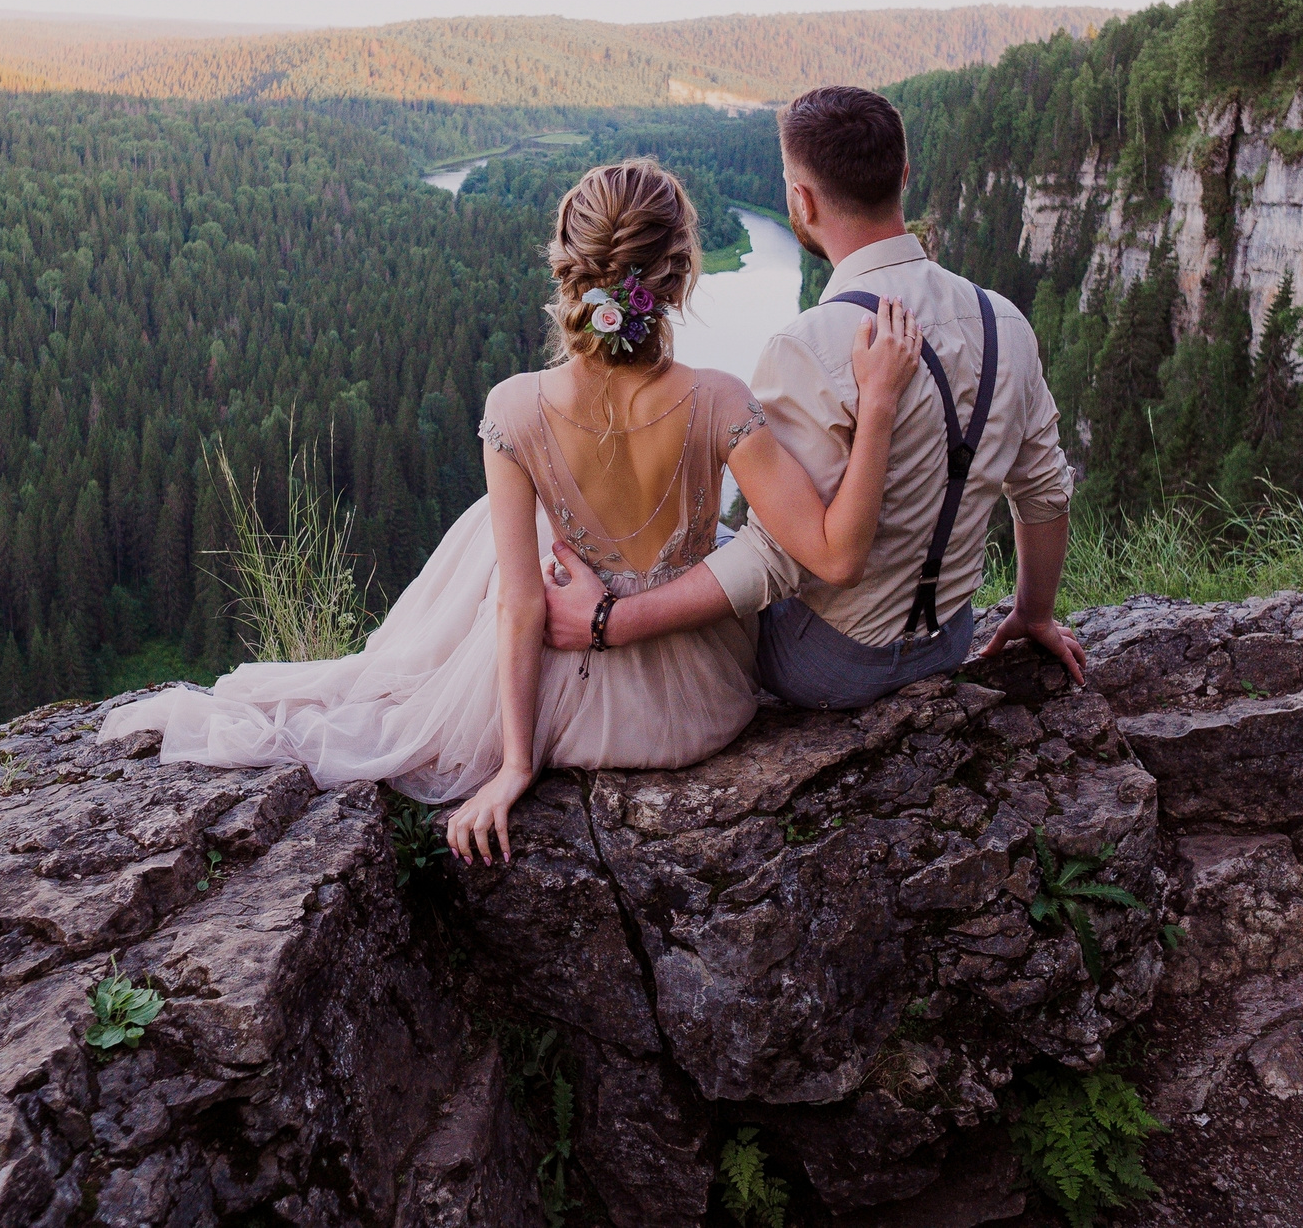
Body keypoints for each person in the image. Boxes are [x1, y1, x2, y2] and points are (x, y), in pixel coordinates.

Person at [98, 157, 925, 866]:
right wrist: (879, 405)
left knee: (508, 537)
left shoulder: (515, 406)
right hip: (701, 706)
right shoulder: (721, 400)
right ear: (678, 280)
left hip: (571, 711)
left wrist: (514, 766)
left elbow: (522, 607)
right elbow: (833, 552)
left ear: (571, 269)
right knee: (548, 532)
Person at [541, 86, 1087, 713]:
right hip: (948, 641)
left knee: (678, 549)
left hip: (825, 666)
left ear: (801, 199)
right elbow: (1044, 489)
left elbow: (777, 559)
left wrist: (611, 621)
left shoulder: (809, 345)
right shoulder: (1004, 321)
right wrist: (1034, 613)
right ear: (903, 176)